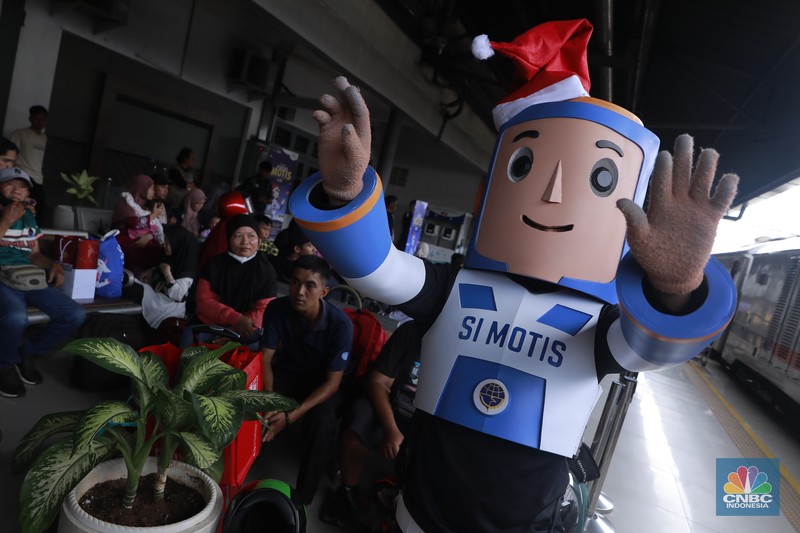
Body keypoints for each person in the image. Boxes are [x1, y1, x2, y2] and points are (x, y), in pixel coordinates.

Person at [288, 19, 739, 533]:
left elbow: (652, 344)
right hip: (418, 512)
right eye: (524, 166)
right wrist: (346, 196)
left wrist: (675, 290)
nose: (551, 194)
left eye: (600, 176)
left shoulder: (600, 324)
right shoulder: (449, 289)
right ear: (490, 189)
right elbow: (377, 268)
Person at [260, 254, 354, 505]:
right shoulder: (277, 308)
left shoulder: (340, 325)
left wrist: (290, 416)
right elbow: (266, 360)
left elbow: (333, 383)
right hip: (288, 374)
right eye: (294, 282)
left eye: (309, 285)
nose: (299, 291)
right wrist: (270, 402)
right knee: (249, 392)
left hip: (323, 384)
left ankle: (302, 498)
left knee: (323, 421)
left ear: (324, 291)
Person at [321, 320, 422, 527]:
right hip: (391, 408)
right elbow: (378, 381)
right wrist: (391, 429)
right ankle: (348, 491)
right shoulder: (412, 331)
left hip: (424, 421)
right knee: (360, 417)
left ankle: (400, 503)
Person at [0, 166, 86, 397]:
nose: (17, 190)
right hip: (2, 276)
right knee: (16, 317)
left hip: (28, 276)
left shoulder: (28, 216)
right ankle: (5, 364)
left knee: (75, 314)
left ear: (28, 193)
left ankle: (25, 353)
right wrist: (6, 220)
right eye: (10, 184)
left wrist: (52, 265)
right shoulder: (7, 214)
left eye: (22, 186)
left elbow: (33, 253)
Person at [192, 214, 277, 346]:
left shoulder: (266, 271)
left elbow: (264, 309)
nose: (245, 242)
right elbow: (204, 301)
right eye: (238, 236)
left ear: (259, 241)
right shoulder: (214, 265)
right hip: (209, 324)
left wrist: (235, 331)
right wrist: (235, 318)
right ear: (229, 238)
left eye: (251, 236)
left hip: (246, 330)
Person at [125, 224, 198, 329]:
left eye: (168, 243)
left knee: (133, 288)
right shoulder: (172, 259)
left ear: (177, 245)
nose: (164, 245)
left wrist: (167, 273)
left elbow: (178, 295)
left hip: (168, 309)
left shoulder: (186, 271)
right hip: (159, 299)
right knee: (131, 284)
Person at [112, 174, 165, 275]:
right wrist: (153, 215)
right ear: (142, 188)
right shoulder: (125, 202)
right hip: (122, 238)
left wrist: (149, 236)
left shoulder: (145, 204)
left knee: (157, 248)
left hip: (137, 237)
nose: (153, 192)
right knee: (143, 250)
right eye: (151, 189)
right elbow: (134, 224)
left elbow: (153, 227)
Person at [10, 105, 47, 214]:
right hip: (23, 175)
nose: (40, 122)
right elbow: (11, 154)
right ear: (30, 119)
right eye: (37, 119)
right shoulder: (20, 133)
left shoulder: (44, 137)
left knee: (38, 208)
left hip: (38, 177)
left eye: (43, 119)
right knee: (21, 205)